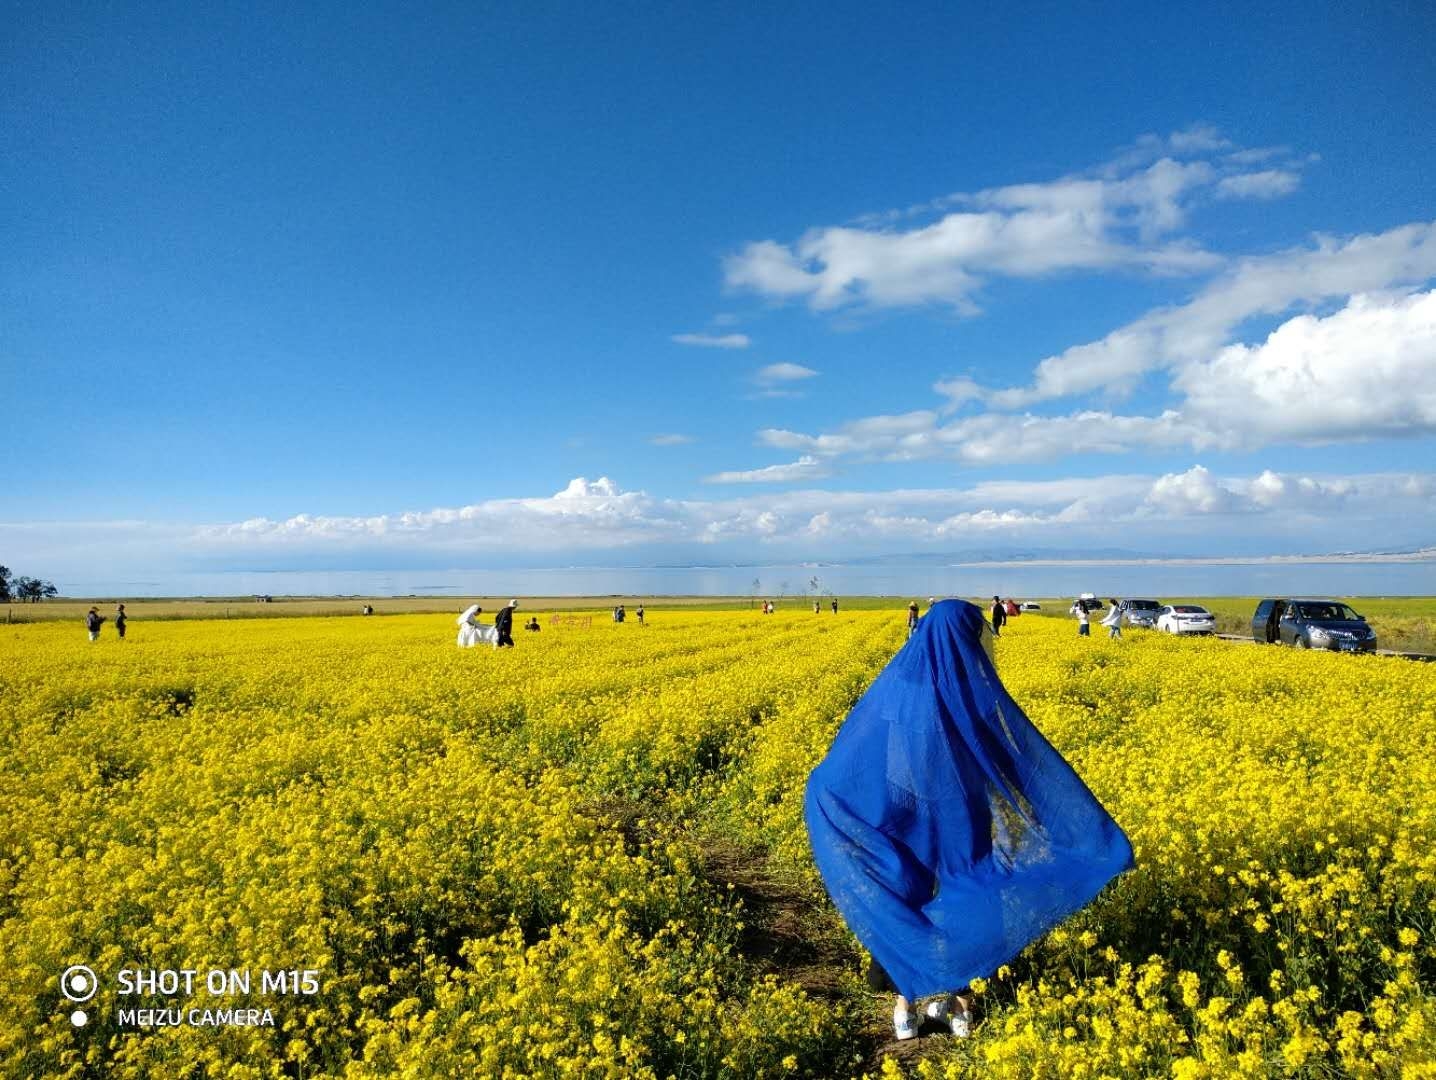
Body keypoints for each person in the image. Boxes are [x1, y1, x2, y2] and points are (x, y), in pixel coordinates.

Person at [805, 600, 1133, 1042]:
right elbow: (1009, 753)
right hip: (962, 814)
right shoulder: (971, 686)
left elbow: (874, 750)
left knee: (908, 895)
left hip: (908, 812)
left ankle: (905, 1008)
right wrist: (1066, 814)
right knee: (973, 888)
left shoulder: (902, 681)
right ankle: (960, 1007)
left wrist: (846, 793)